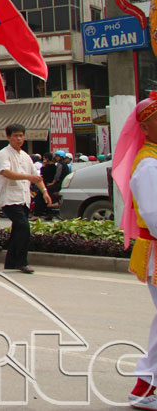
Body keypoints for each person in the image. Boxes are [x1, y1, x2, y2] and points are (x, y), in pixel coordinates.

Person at [112, 91, 157, 408]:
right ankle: (145, 387)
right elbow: (155, 216)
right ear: (147, 126)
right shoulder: (149, 164)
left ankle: (146, 386)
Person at [0, 123, 48, 274]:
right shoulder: (4, 154)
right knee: (24, 227)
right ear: (8, 137)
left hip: (24, 198)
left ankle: (10, 262)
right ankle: (21, 261)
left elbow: (36, 176)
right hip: (10, 198)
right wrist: (28, 177)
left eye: (21, 136)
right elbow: (5, 172)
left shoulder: (25, 156)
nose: (19, 139)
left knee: (18, 229)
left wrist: (44, 191)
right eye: (15, 136)